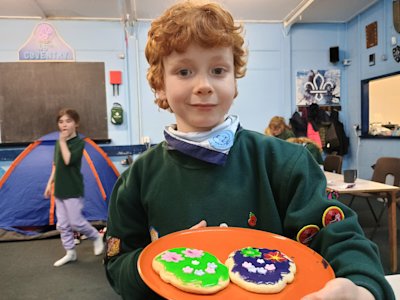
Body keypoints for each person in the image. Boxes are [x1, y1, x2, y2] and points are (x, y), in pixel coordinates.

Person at [104, 2, 394, 299]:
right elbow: (118, 262)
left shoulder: (286, 163)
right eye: (184, 71)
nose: (204, 85)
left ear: (234, 81)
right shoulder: (138, 178)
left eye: (218, 70)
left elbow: (340, 236)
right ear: (160, 85)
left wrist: (361, 289)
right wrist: (160, 258)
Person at [44, 108, 104, 267]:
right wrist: (50, 183)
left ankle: (96, 236)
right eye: (61, 122)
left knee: (76, 222)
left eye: (68, 121)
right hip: (60, 189)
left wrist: (63, 142)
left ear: (76, 124)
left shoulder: (78, 143)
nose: (64, 125)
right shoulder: (58, 142)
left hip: (73, 188)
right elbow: (57, 164)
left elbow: (68, 160)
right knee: (63, 224)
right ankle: (70, 252)